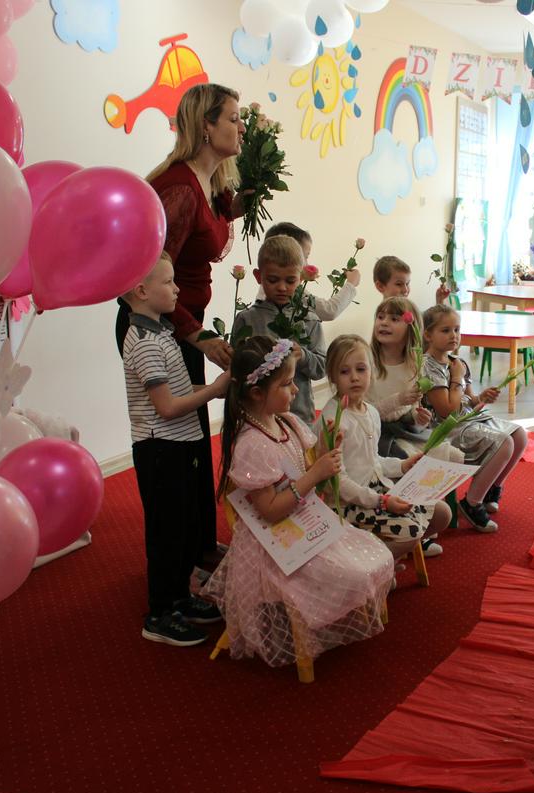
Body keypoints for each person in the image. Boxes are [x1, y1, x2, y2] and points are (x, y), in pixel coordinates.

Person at [201, 336, 394, 669]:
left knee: (376, 557)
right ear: (257, 393)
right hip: (274, 540)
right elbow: (269, 511)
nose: (295, 391)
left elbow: (304, 466)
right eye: (287, 384)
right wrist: (315, 474)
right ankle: (314, 618)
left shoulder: (287, 422)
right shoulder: (252, 444)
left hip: (305, 518)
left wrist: (327, 448)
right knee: (354, 574)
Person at [115, 83, 244, 567]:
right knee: (175, 447)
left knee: (193, 441)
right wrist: (199, 337)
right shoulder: (179, 188)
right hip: (161, 327)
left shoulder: (209, 184)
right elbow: (151, 277)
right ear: (206, 126)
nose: (241, 128)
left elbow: (213, 227)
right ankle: (178, 565)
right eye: (233, 118)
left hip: (183, 325)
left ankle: (199, 547)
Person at [121, 254, 229, 647]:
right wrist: (213, 391)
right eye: (168, 282)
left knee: (183, 526)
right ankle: (160, 613)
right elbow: (166, 408)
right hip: (160, 450)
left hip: (177, 444)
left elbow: (178, 392)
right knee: (167, 533)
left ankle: (180, 597)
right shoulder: (145, 343)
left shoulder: (162, 333)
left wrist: (215, 388)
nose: (178, 289)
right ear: (142, 291)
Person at [314, 335, 452, 561]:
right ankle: (378, 567)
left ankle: (389, 555)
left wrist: (402, 465)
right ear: (332, 376)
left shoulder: (370, 412)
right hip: (349, 504)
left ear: (372, 371)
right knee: (411, 533)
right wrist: (382, 501)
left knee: (442, 514)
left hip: (378, 490)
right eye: (344, 371)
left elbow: (373, 461)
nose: (354, 377)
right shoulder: (333, 421)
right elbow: (337, 484)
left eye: (361, 369)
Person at [420, 304, 528, 533]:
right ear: (428, 335)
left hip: (468, 420)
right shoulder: (427, 366)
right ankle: (472, 502)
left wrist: (482, 397)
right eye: (446, 330)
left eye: (457, 330)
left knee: (519, 435)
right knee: (504, 443)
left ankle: (491, 489)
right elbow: (447, 412)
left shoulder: (457, 362)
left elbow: (469, 401)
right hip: (445, 428)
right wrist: (456, 378)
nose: (454, 335)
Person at [232, 235, 326, 421]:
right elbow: (235, 368)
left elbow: (321, 367)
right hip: (257, 416)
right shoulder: (246, 319)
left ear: (301, 278)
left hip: (299, 415)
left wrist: (303, 355)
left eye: (290, 281)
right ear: (258, 276)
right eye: (273, 280)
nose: (282, 287)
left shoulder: (310, 320)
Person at [367, 296, 461, 462]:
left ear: (411, 328)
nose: (384, 323)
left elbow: (409, 410)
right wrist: (398, 400)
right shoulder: (366, 363)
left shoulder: (414, 365)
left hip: (404, 431)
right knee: (415, 461)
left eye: (394, 319)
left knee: (455, 456)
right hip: (374, 433)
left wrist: (418, 417)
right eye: (380, 317)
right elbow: (361, 414)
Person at [256, 221, 360, 322]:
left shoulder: (268, 287)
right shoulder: (290, 291)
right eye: (305, 257)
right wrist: (351, 284)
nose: (307, 264)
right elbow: (329, 311)